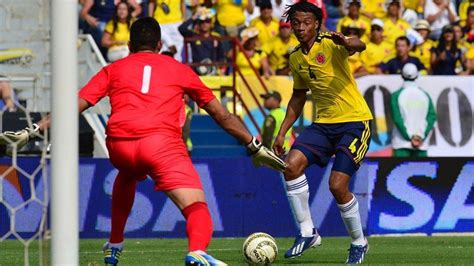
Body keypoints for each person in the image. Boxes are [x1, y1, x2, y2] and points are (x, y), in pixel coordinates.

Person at [0, 17, 286, 266]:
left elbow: (75, 105)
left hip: (120, 145)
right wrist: (253, 145)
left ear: (129, 45)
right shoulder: (180, 69)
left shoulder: (113, 69)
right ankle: (197, 251)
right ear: (160, 45)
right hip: (161, 145)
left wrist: (34, 129)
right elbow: (222, 115)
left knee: (128, 173)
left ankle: (114, 244)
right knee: (196, 207)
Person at [273, 0, 372, 264]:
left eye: (307, 22)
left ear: (317, 23)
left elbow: (357, 45)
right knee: (290, 166)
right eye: (296, 23)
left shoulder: (331, 42)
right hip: (323, 124)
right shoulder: (295, 57)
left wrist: (348, 43)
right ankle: (307, 231)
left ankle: (358, 242)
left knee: (337, 185)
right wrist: (282, 132)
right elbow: (297, 97)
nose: (301, 28)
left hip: (354, 122)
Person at [390, 63, 436, 157]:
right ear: (417, 76)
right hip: (420, 144)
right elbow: (432, 117)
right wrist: (420, 136)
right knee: (422, 171)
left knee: (399, 172)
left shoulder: (395, 96)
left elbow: (397, 119)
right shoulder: (425, 95)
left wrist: (409, 137)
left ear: (402, 75)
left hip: (401, 144)